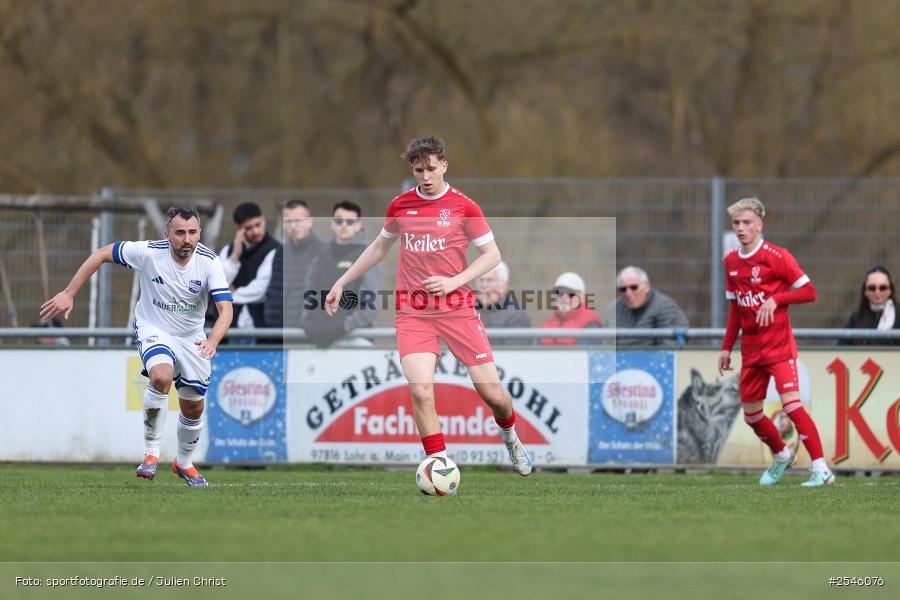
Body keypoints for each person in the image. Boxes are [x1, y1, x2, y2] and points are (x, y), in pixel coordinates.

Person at [323, 136, 532, 475]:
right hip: (413, 311)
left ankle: (510, 436)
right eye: (418, 169)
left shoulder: (465, 207)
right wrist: (342, 282)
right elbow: (379, 247)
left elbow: (493, 256)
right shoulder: (401, 205)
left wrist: (455, 281)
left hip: (458, 310)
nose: (426, 176)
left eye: (432, 168)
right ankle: (439, 463)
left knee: (493, 394)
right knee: (420, 390)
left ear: (444, 165)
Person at [41, 207, 233, 487]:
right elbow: (101, 254)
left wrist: (213, 339)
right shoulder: (147, 252)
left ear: (199, 234)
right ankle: (151, 454)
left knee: (193, 407)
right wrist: (69, 293)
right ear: (167, 234)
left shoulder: (209, 261)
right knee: (161, 377)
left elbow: (225, 309)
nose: (186, 239)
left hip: (192, 336)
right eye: (179, 232)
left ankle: (184, 463)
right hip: (154, 329)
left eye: (192, 232)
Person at [718, 197, 834, 487]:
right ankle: (783, 455)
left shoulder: (777, 256)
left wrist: (777, 297)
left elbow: (810, 292)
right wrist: (726, 347)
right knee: (752, 416)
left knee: (792, 406)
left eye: (746, 223)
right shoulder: (731, 261)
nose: (741, 228)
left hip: (780, 348)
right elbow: (735, 308)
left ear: (759, 225)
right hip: (752, 351)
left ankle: (821, 469)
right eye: (736, 223)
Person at [301, 201, 381, 348]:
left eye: (350, 222)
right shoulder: (319, 258)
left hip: (356, 339)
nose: (344, 225)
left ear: (359, 225)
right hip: (320, 341)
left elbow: (370, 307)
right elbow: (309, 297)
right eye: (339, 220)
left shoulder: (368, 257)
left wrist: (341, 327)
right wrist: (309, 322)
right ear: (332, 223)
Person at [209, 202, 279, 340]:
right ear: (239, 228)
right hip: (227, 330)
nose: (255, 231)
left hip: (261, 330)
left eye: (258, 225)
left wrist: (227, 295)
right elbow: (216, 284)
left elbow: (260, 290)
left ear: (264, 220)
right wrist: (235, 257)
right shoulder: (228, 250)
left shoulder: (276, 250)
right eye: (248, 228)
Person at [263, 199, 324, 332]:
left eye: (298, 221)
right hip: (280, 332)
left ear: (309, 221)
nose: (294, 226)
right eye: (289, 221)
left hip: (312, 333)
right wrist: (271, 322)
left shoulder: (324, 251)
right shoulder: (280, 252)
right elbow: (274, 291)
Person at [604, 266, 689, 345]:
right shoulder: (613, 309)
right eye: (623, 289)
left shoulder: (665, 307)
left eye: (634, 287)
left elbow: (669, 350)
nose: (628, 293)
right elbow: (607, 346)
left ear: (647, 286)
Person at [539, 272, 603, 345]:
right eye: (560, 293)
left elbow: (583, 355)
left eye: (570, 293)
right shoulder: (549, 322)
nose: (564, 297)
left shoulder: (591, 323)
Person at [840, 266, 898, 345]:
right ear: (865, 291)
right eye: (872, 288)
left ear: (890, 290)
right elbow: (841, 346)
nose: (877, 292)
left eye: (883, 288)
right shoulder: (855, 319)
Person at [476, 261, 530, 339]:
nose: (484, 285)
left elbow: (516, 349)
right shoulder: (470, 311)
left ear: (504, 285)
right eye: (481, 280)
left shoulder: (516, 317)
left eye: (490, 280)